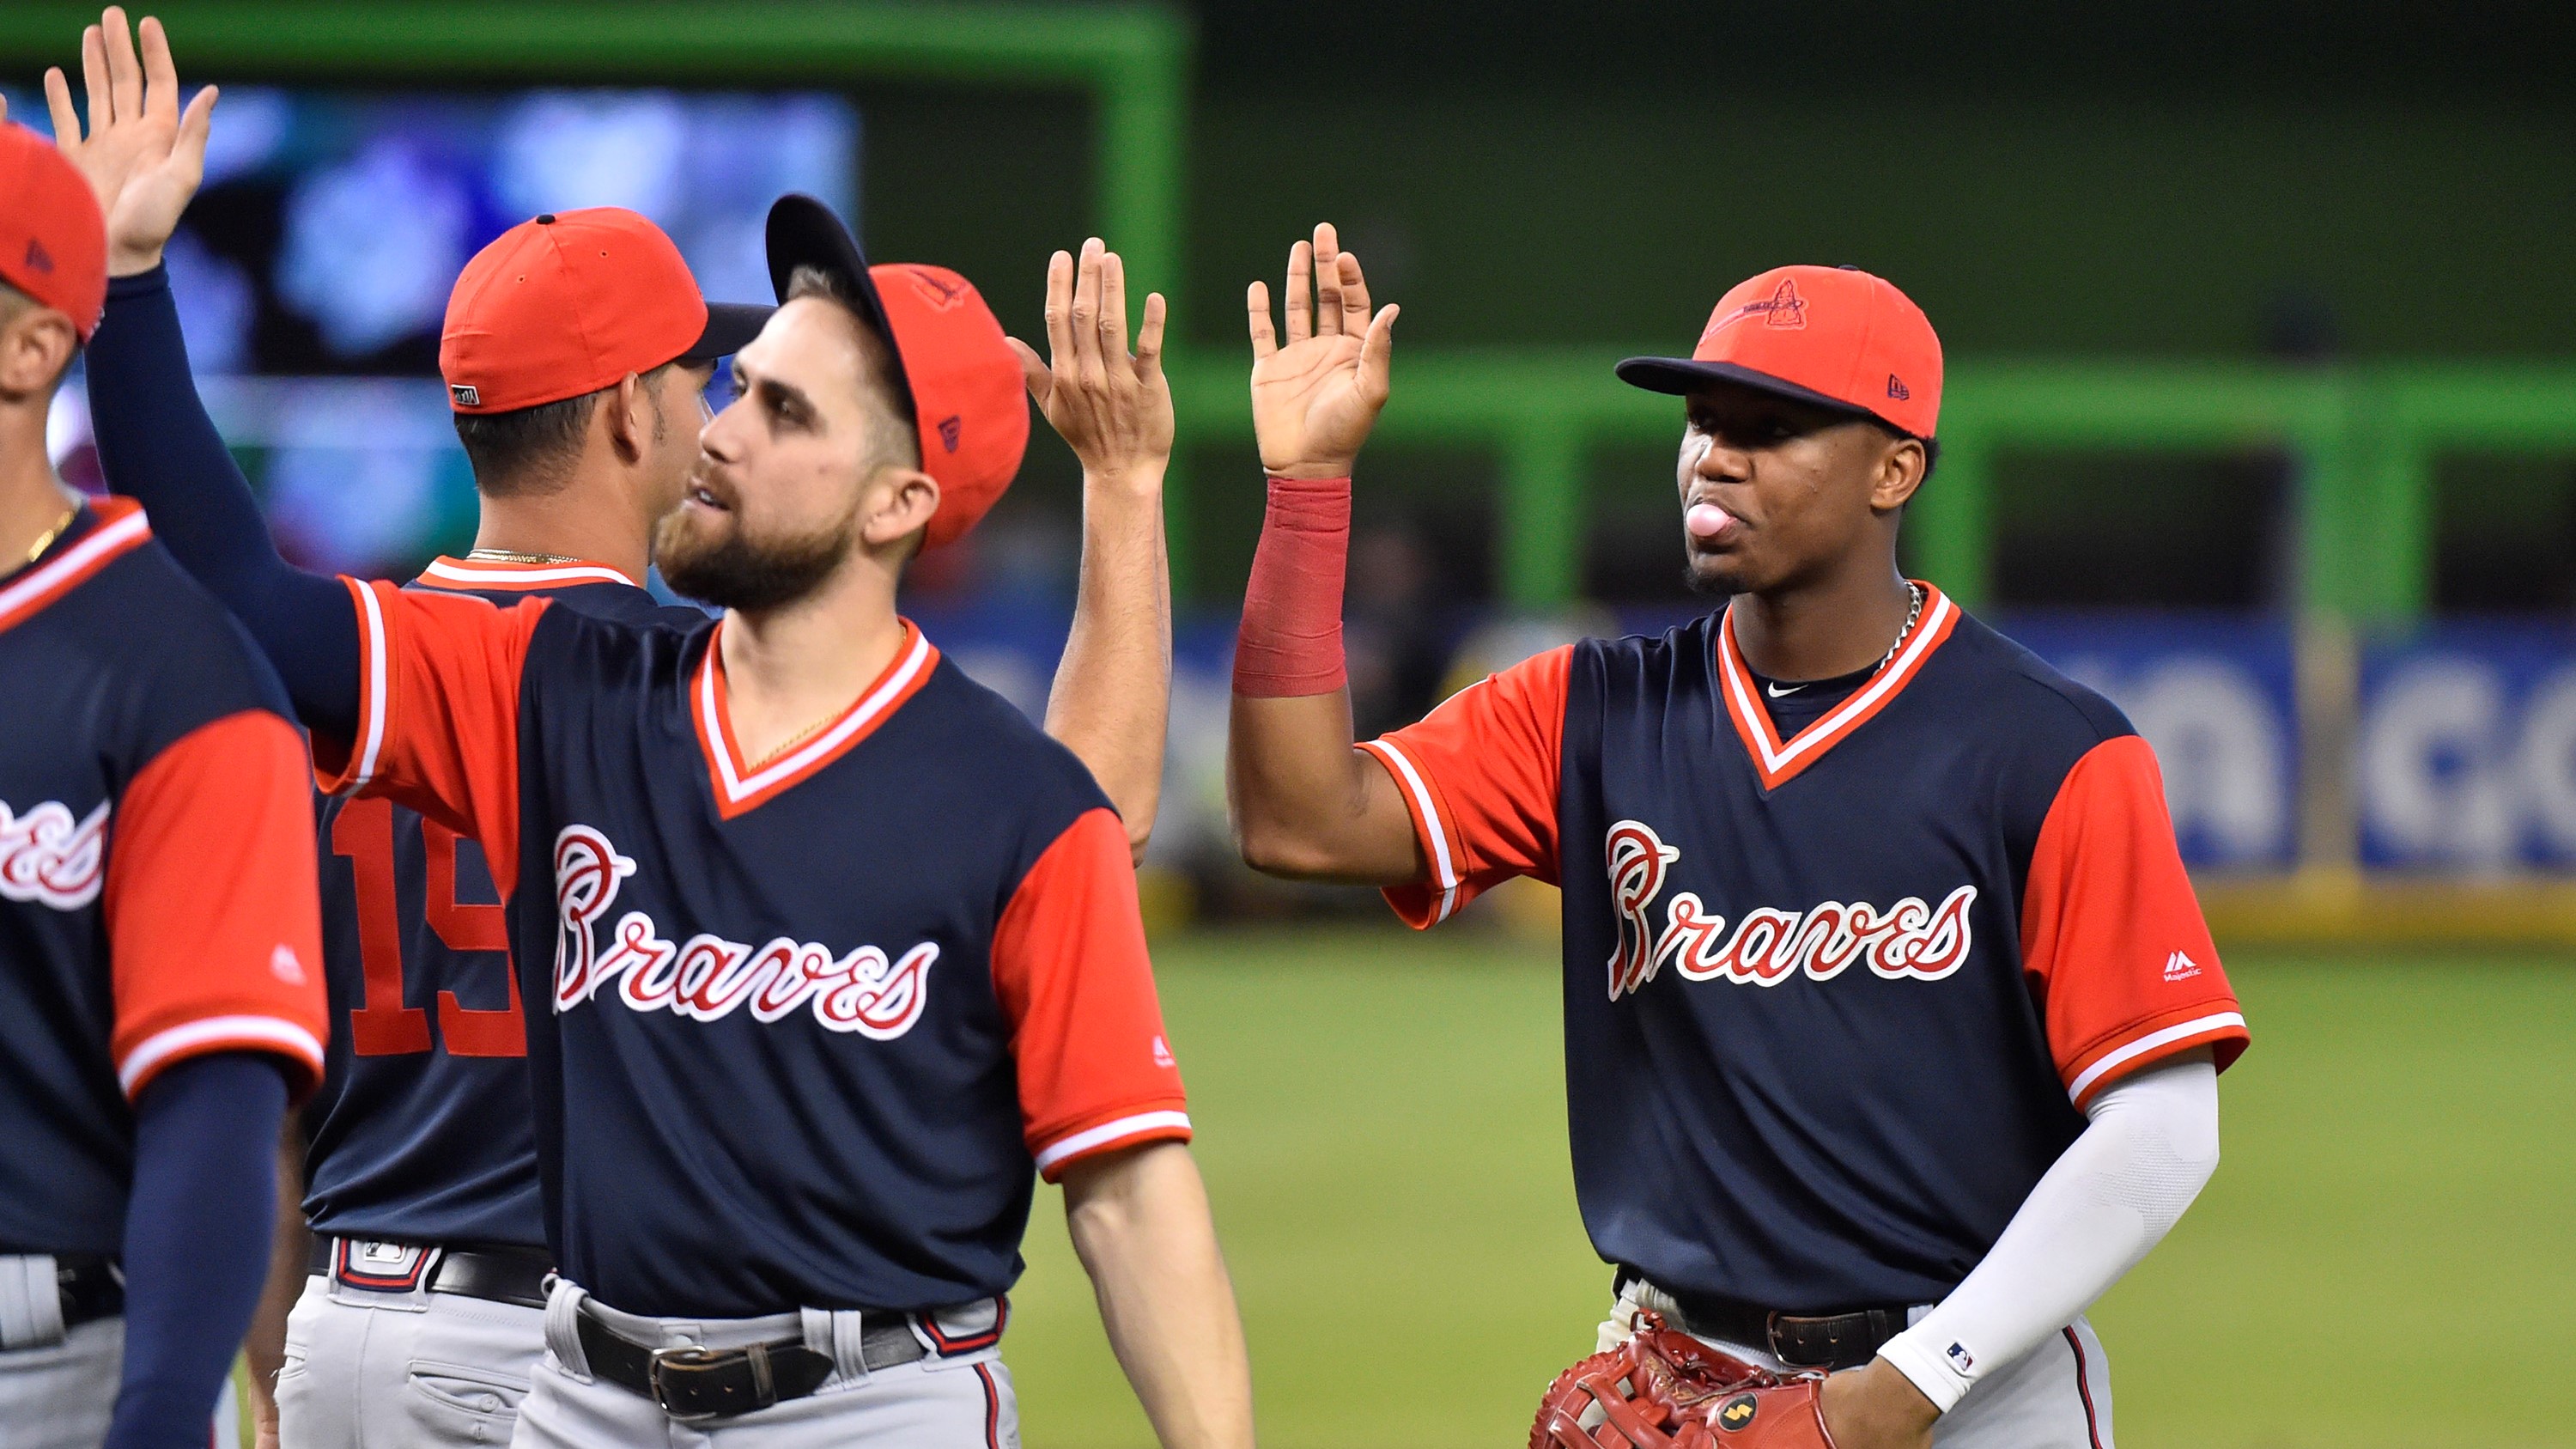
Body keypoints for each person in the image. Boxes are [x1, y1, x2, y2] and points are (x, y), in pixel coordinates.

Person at [52, 12, 1186, 1446]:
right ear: (627, 420)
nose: (718, 410)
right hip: (563, 1344)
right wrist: (1127, 495)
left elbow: (261, 1093)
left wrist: (132, 284)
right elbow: (1076, 809)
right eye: (700, 377)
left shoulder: (371, 673)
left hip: (351, 1302)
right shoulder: (671, 690)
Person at [1227, 227, 2246, 1448]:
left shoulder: (2049, 750)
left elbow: (2167, 1121)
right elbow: (1301, 821)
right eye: (1702, 420)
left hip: (1976, 1383)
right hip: (1681, 1390)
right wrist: (1306, 491)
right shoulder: (1593, 714)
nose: (1715, 457)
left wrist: (1906, 1387)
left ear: (1895, 470)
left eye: (1770, 427)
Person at [0, 108, 329, 1449]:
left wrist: (156, 1424)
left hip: (53, 1364)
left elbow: (213, 1106)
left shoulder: (181, 676)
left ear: (30, 349)